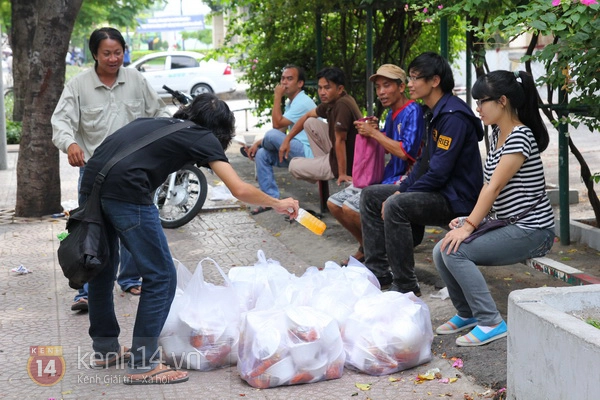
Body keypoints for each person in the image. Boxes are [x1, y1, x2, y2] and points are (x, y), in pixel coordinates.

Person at [79, 93, 299, 384]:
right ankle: (143, 364)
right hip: (127, 190)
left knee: (102, 269)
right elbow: (239, 189)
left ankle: (105, 349)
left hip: (90, 182)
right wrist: (278, 202)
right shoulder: (203, 136)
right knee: (161, 276)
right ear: (222, 130)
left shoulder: (157, 123)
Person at [433, 70, 555, 346]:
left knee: (456, 252)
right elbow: (492, 189)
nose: (477, 108)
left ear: (502, 101)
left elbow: (494, 188)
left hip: (533, 230)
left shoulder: (520, 137)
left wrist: (469, 226)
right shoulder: (498, 133)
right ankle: (467, 314)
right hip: (509, 223)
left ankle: (491, 321)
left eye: (481, 101)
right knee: (441, 250)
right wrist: (469, 219)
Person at [52, 27, 170, 311]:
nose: (114, 58)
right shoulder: (79, 85)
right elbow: (61, 121)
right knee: (91, 233)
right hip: (94, 175)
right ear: (95, 54)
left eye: (118, 52)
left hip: (133, 174)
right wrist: (70, 144)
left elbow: (161, 114)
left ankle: (129, 278)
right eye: (107, 53)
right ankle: (85, 290)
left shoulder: (136, 80)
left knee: (136, 228)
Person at [360, 52, 484, 294]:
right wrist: (401, 189)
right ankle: (379, 273)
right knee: (371, 195)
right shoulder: (433, 113)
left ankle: (405, 285)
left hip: (456, 198)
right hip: (439, 191)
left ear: (435, 81)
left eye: (415, 78)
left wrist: (399, 197)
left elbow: (438, 173)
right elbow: (423, 164)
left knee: (397, 205)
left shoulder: (453, 117)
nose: (410, 84)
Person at [328, 64, 424, 265]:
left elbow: (405, 152)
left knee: (351, 208)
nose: (381, 92)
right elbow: (388, 147)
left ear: (401, 87)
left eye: (386, 85)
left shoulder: (413, 110)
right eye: (378, 87)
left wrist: (374, 133)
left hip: (408, 179)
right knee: (334, 204)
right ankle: (367, 248)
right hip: (389, 177)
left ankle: (380, 256)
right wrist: (372, 132)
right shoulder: (391, 114)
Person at [241, 65, 316, 214]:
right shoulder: (291, 102)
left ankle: (259, 147)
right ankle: (270, 200)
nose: (284, 83)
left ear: (300, 83)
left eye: (289, 79)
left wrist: (277, 96)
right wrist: (258, 144)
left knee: (269, 136)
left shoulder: (302, 102)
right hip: (293, 150)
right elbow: (280, 130)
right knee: (262, 154)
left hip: (309, 153)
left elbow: (276, 126)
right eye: (282, 79)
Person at [282, 66, 362, 186]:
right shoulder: (332, 101)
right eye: (320, 88)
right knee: (310, 122)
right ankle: (321, 164)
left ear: (339, 89)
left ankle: (325, 168)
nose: (322, 92)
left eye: (327, 88)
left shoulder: (342, 105)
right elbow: (308, 115)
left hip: (348, 163)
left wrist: (342, 174)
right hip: (335, 153)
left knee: (293, 165)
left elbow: (340, 140)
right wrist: (287, 139)